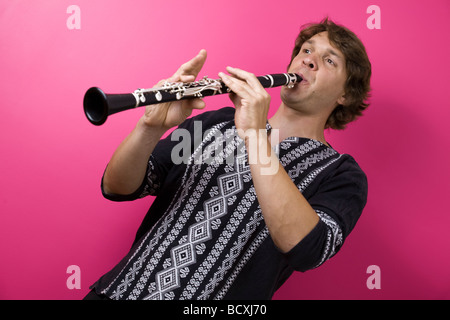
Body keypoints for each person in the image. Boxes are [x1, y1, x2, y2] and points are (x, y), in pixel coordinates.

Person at [85, 17, 371, 300]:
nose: (309, 60)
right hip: (119, 291)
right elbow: (117, 187)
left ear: (346, 94)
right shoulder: (216, 122)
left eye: (329, 60)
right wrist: (149, 127)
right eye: (306, 50)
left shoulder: (341, 174)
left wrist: (257, 137)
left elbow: (307, 249)